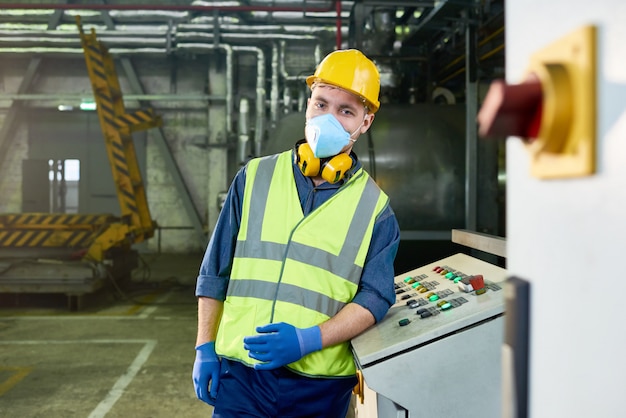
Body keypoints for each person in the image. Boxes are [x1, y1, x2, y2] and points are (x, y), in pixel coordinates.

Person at [192, 48, 400, 417]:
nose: (328, 119)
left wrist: (308, 340)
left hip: (319, 389)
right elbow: (214, 272)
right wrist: (204, 348)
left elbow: (375, 298)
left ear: (365, 122)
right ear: (308, 103)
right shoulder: (254, 177)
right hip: (242, 376)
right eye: (321, 104)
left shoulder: (376, 210)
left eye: (346, 111)